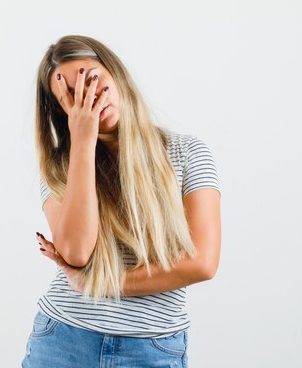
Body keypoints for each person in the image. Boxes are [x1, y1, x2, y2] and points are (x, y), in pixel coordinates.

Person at [22, 35, 221, 368]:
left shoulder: (187, 153)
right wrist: (83, 142)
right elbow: (76, 252)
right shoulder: (58, 168)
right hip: (63, 341)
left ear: (113, 71)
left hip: (151, 349)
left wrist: (99, 284)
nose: (89, 96)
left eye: (91, 78)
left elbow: (202, 263)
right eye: (72, 95)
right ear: (62, 112)